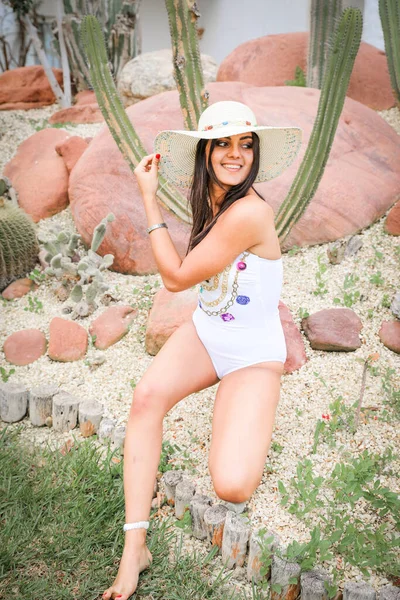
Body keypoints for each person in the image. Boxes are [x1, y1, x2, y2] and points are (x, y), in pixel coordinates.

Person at [102, 100, 302, 600]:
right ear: (206, 152)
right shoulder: (210, 196)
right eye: (224, 143)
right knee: (146, 398)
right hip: (208, 331)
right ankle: (135, 549)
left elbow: (174, 278)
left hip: (253, 354)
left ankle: (237, 397)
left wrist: (147, 198)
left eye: (246, 144)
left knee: (231, 485)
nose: (236, 154)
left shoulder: (249, 211)